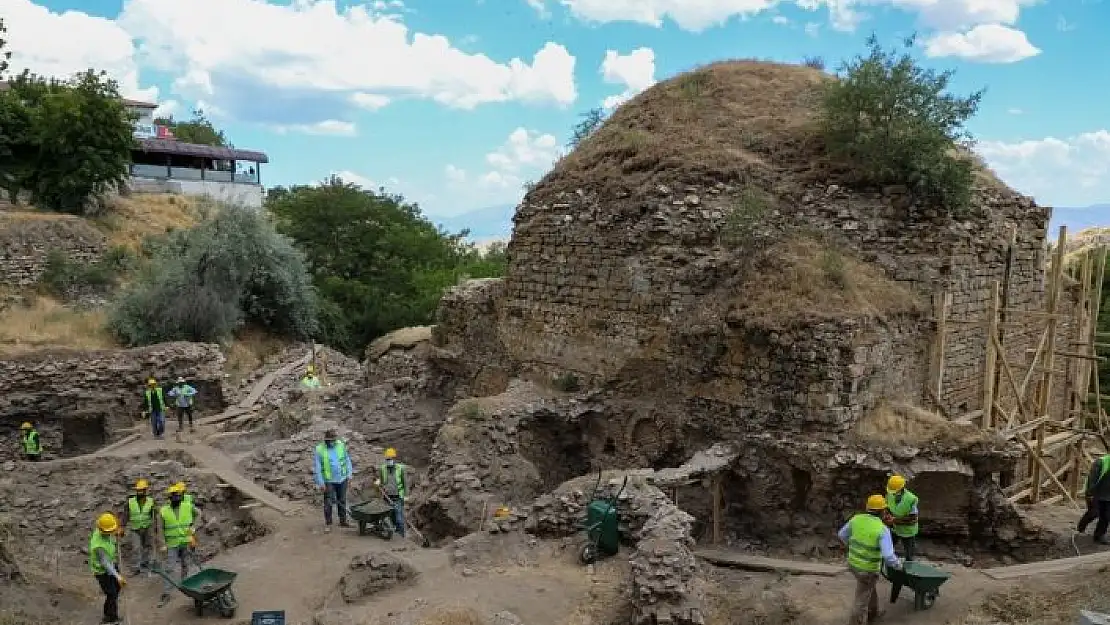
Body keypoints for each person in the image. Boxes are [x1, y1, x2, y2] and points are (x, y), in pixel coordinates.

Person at [837, 494, 903, 625]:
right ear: (883, 511)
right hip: (867, 570)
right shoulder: (882, 529)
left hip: (853, 565)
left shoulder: (856, 519)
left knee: (868, 587)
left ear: (868, 508)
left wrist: (852, 546)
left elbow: (841, 535)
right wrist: (899, 565)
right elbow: (889, 556)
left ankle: (874, 614)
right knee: (860, 602)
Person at [157, 482, 200, 607]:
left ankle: (185, 584)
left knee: (186, 565)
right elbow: (159, 528)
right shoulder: (164, 511)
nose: (176, 498)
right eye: (174, 496)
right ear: (170, 498)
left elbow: (199, 513)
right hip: (172, 544)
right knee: (169, 568)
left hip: (186, 542)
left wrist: (194, 527)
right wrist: (162, 543)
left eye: (178, 495)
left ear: (181, 496)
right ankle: (166, 593)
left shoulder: (187, 506)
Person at [313, 428, 353, 532]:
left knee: (342, 500)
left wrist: (349, 475)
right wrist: (321, 482)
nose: (332, 442)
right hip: (329, 480)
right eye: (330, 440)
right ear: (326, 440)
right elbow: (317, 468)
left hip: (342, 478)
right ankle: (329, 523)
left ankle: (343, 521)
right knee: (328, 502)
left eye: (333, 440)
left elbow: (347, 460)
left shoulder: (340, 444)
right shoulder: (319, 449)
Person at [89, 512, 126, 625]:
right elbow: (105, 563)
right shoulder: (98, 545)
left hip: (111, 564)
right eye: (110, 531)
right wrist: (117, 576)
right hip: (102, 571)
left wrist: (117, 532)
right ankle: (109, 617)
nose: (111, 533)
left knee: (117, 590)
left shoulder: (102, 529)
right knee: (111, 593)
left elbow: (111, 524)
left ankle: (111, 613)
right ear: (103, 531)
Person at [119, 479, 156, 575]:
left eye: (142, 490)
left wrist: (155, 527)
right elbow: (125, 515)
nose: (140, 492)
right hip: (135, 528)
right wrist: (122, 527)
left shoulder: (151, 501)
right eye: (138, 490)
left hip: (147, 527)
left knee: (148, 546)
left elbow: (155, 515)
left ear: (145, 491)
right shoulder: (130, 502)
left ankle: (147, 563)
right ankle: (136, 567)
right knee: (136, 548)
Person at [375, 447, 409, 538]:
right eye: (387, 459)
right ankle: (394, 534)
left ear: (394, 459)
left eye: (390, 459)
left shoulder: (400, 468)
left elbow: (405, 482)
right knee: (390, 517)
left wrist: (406, 495)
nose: (388, 461)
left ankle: (402, 536)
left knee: (399, 519)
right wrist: (378, 482)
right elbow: (381, 481)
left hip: (398, 497)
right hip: (387, 497)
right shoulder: (382, 469)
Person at [885, 475, 920, 560]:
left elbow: (913, 519)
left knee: (909, 555)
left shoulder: (911, 498)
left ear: (901, 488)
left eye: (895, 491)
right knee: (887, 549)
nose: (893, 493)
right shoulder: (890, 494)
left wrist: (894, 520)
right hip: (895, 528)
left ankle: (908, 569)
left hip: (908, 531)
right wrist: (887, 515)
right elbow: (888, 506)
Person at [1080, 453, 1110, 544]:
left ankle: (1099, 535)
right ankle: (1080, 528)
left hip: (1108, 494)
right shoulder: (1101, 462)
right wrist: (1090, 494)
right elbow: (1092, 480)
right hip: (1095, 492)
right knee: (1094, 513)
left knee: (1107, 515)